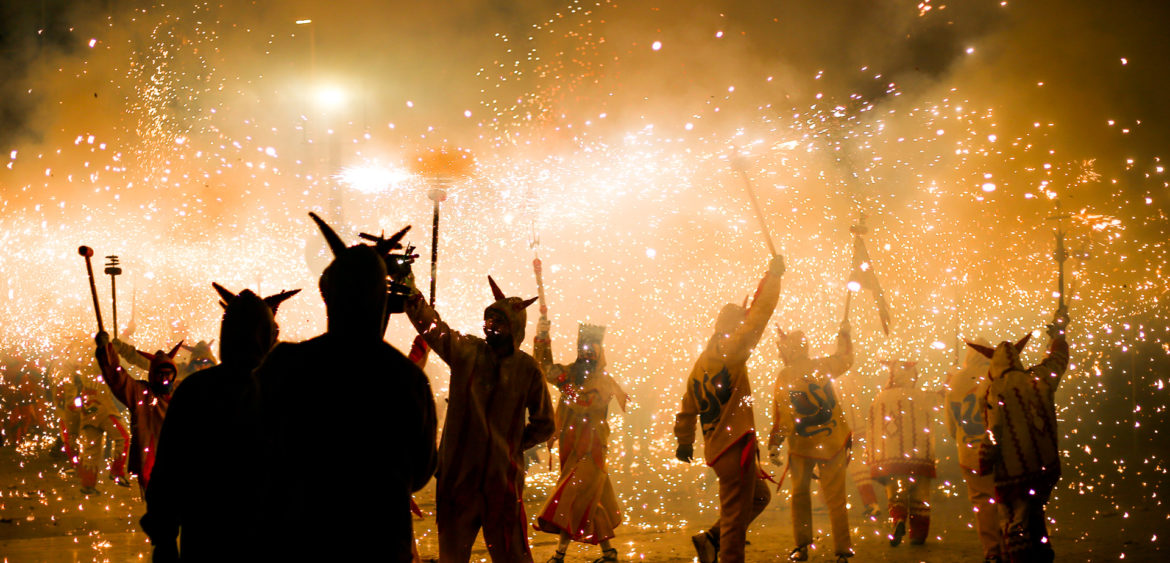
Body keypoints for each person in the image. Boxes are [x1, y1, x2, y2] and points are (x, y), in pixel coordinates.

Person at [255, 213, 436, 561]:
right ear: (381, 301)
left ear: (328, 296)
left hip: (300, 541)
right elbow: (420, 471)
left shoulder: (284, 365)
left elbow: (254, 452)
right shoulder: (406, 378)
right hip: (380, 542)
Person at [140, 283, 299, 562]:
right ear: (267, 336)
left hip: (207, 537)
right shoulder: (288, 389)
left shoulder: (195, 390)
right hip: (271, 538)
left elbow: (168, 473)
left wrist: (163, 539)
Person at [404, 272, 555, 563]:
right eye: (488, 320)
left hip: (501, 481)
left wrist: (511, 444)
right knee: (452, 555)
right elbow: (432, 327)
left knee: (512, 554)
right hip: (458, 479)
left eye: (499, 322)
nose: (491, 327)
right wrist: (411, 292)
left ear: (514, 327)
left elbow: (545, 424)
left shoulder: (528, 370)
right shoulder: (466, 351)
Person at [674, 254, 784, 563]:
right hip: (734, 447)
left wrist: (684, 440)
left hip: (719, 449)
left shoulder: (702, 362)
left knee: (759, 496)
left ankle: (710, 540)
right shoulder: (732, 351)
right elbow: (758, 317)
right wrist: (773, 278)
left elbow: (687, 406)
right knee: (735, 517)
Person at [973, 308, 1070, 563]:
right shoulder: (1038, 379)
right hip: (1044, 467)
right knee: (1035, 510)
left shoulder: (996, 390)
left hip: (1014, 471)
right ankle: (1043, 554)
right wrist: (1058, 335)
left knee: (1015, 520)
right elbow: (1058, 361)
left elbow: (994, 430)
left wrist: (984, 457)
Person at [534, 320, 628, 563]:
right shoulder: (571, 374)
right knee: (590, 502)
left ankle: (559, 555)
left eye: (591, 350)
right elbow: (544, 368)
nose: (586, 355)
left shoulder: (603, 382)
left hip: (592, 451)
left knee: (570, 497)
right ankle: (609, 554)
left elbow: (583, 403)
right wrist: (542, 336)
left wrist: (564, 384)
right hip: (572, 448)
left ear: (599, 352)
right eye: (583, 349)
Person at [768, 320, 854, 563]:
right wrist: (844, 335)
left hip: (802, 445)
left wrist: (775, 442)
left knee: (800, 495)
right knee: (836, 497)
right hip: (832, 440)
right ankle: (843, 551)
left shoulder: (785, 376)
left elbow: (783, 415)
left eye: (782, 350)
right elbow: (845, 358)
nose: (780, 354)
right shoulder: (823, 365)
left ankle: (802, 546)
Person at [95, 332, 180, 492]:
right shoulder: (141, 393)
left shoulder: (182, 391)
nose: (164, 378)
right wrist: (106, 351)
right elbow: (118, 378)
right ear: (153, 374)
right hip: (151, 461)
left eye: (168, 374)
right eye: (160, 374)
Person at [867, 361, 938, 546]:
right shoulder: (921, 396)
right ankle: (918, 536)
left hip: (891, 457)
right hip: (920, 456)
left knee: (896, 493)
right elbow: (941, 402)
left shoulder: (880, 398)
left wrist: (873, 456)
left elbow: (872, 428)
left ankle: (898, 519)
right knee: (920, 496)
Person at [944, 338, 1000, 563]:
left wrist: (960, 438)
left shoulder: (956, 380)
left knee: (982, 501)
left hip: (969, 453)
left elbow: (951, 423)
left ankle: (993, 551)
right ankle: (1012, 547)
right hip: (998, 450)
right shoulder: (998, 375)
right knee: (1007, 499)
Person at [72, 369, 131, 494]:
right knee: (123, 437)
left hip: (87, 412)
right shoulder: (101, 366)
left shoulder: (79, 369)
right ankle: (117, 472)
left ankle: (87, 485)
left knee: (91, 450)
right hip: (104, 410)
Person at [833, 369, 880, 519]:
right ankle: (871, 504)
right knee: (858, 469)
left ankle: (827, 504)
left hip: (841, 431)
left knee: (828, 467)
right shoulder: (850, 377)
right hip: (854, 428)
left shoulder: (832, 379)